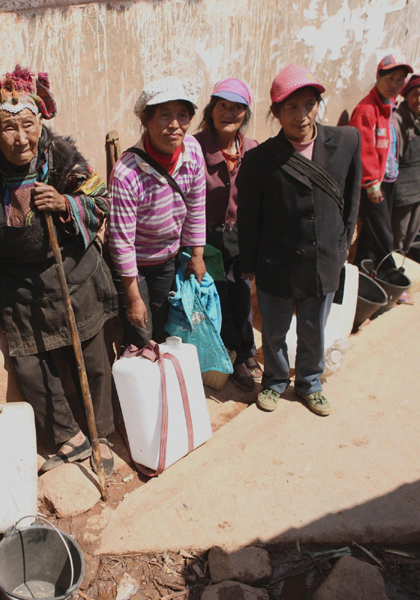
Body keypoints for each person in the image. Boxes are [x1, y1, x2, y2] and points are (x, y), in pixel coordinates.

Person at [0, 65, 117, 476]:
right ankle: (70, 437)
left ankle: (101, 435)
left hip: (72, 273)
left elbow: (102, 201)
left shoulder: (61, 159)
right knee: (29, 367)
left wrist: (65, 203)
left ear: (40, 123)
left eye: (28, 125)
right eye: (9, 128)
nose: (21, 138)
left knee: (92, 359)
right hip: (19, 285)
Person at [236, 64, 362, 417]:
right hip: (275, 261)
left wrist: (342, 245)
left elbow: (352, 197)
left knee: (313, 329)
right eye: (290, 107)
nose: (301, 115)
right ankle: (275, 381)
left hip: (323, 258)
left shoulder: (346, 141)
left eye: (309, 104)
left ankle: (310, 383)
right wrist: (248, 264)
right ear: (276, 113)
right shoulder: (259, 159)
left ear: (318, 105)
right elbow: (249, 216)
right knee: (274, 330)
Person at [108, 77, 207, 348]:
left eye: (182, 115)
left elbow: (197, 204)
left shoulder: (192, 152)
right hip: (134, 267)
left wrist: (197, 254)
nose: (174, 124)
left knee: (165, 328)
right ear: (145, 120)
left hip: (168, 259)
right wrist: (133, 297)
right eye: (164, 115)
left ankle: (163, 374)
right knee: (141, 334)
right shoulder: (127, 172)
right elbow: (121, 242)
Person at [191, 78, 262, 391]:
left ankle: (246, 350)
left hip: (240, 236)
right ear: (212, 109)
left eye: (236, 108)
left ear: (245, 114)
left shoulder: (252, 149)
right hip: (206, 239)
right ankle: (233, 358)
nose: (228, 113)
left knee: (243, 294)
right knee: (220, 298)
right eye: (222, 106)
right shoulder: (194, 147)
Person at [350, 54, 412, 265]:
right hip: (373, 185)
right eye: (390, 78)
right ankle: (389, 271)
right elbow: (363, 149)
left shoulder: (390, 105)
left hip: (387, 179)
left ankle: (365, 269)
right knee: (383, 233)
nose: (394, 84)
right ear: (378, 77)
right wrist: (371, 183)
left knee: (372, 233)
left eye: (400, 80)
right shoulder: (366, 110)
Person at [391, 73, 420, 253]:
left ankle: (404, 256)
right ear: (406, 96)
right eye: (414, 94)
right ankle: (393, 259)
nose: (419, 100)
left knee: (413, 228)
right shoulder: (397, 119)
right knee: (399, 230)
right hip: (403, 183)